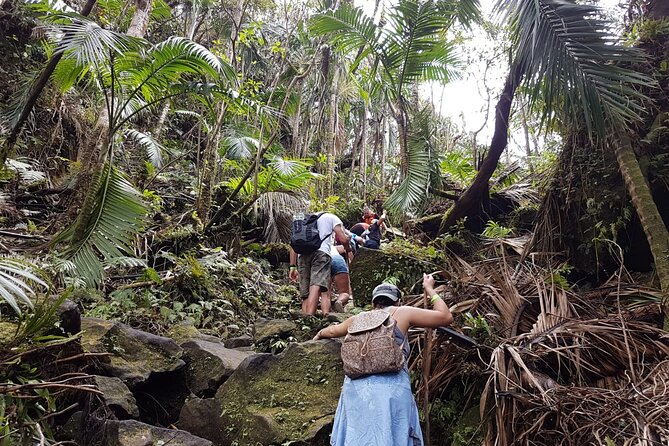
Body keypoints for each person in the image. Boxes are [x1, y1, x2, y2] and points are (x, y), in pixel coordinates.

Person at [314, 274, 453, 445]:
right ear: (397, 302)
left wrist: (319, 334)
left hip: (356, 390)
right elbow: (445, 317)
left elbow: (332, 331)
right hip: (391, 390)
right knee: (391, 435)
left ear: (373, 304)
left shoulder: (357, 319)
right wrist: (430, 289)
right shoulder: (402, 312)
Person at [288, 212, 351, 316]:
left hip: (302, 255)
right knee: (317, 285)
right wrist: (348, 248)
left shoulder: (302, 222)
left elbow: (293, 244)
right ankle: (310, 316)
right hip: (321, 253)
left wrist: (292, 266)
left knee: (306, 290)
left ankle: (304, 320)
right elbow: (343, 239)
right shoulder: (331, 217)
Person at [321, 242, 354, 313]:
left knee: (326, 294)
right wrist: (353, 262)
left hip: (323, 260)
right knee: (344, 292)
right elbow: (346, 248)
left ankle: (326, 315)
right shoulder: (332, 246)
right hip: (338, 260)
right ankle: (339, 301)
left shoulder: (318, 247)